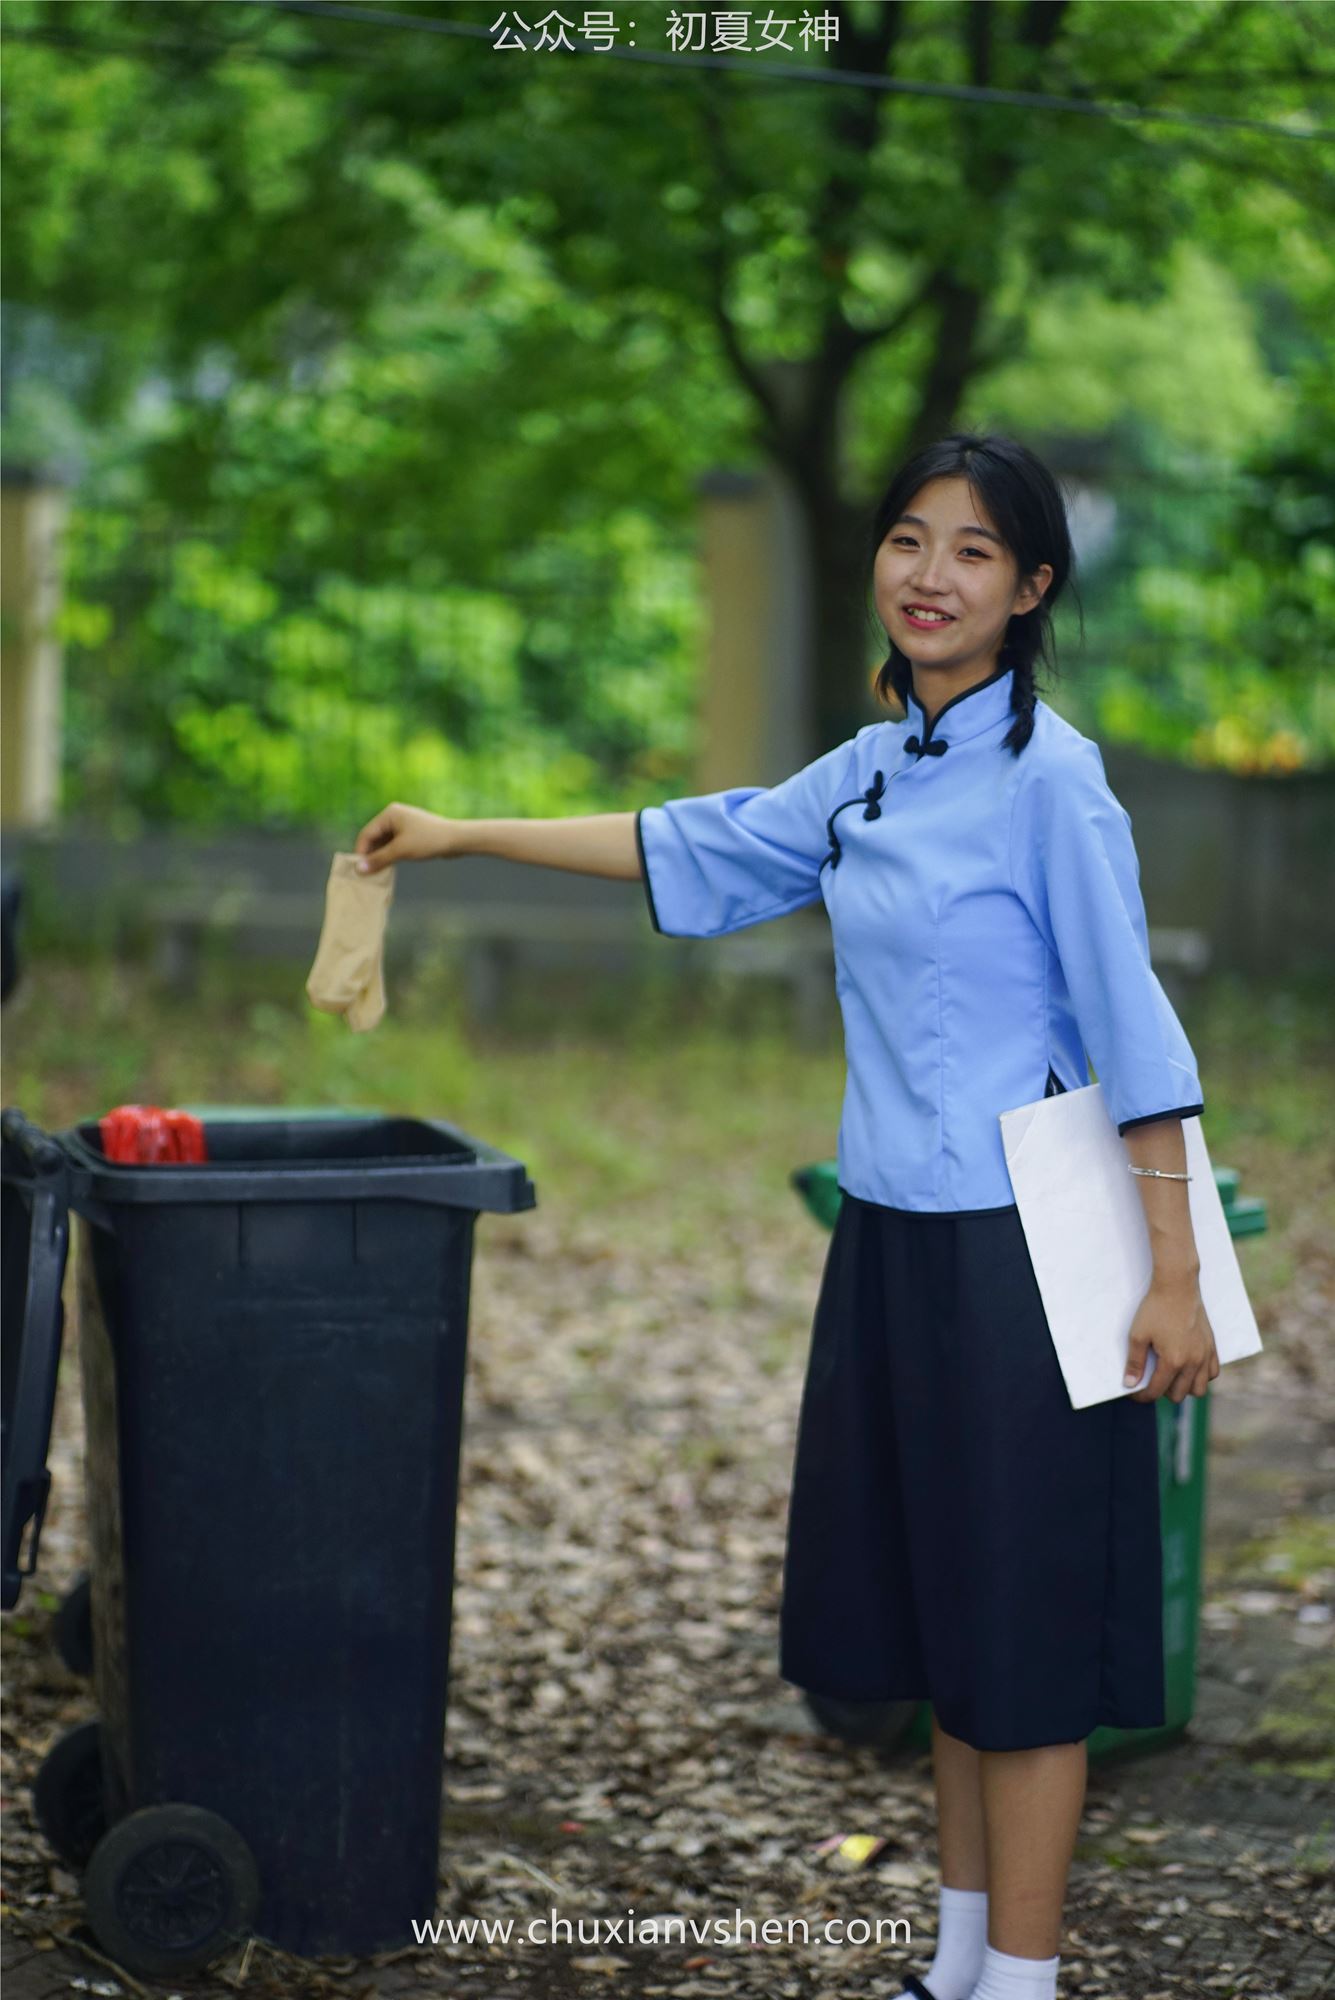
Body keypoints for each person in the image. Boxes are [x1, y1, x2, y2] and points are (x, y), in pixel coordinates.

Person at [353, 431, 1218, 2000]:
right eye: (908, 540)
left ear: (1029, 590)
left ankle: (1022, 1984)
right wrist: (461, 832)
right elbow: (692, 842)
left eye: (972, 553)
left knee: (1019, 1644)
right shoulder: (878, 767)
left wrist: (1174, 1281)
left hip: (1026, 1254)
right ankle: (960, 1964)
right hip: (889, 1241)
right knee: (950, 1618)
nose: (930, 576)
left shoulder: (1054, 783)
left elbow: (1136, 1032)